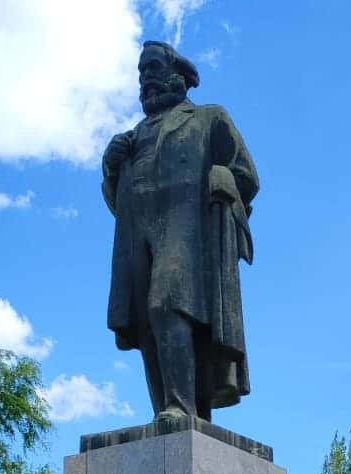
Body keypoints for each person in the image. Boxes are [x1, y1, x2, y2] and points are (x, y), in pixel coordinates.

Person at [103, 41, 258, 419]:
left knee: (166, 304)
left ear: (179, 77)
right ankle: (170, 410)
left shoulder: (208, 119)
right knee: (144, 321)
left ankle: (180, 405)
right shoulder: (132, 137)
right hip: (137, 238)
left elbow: (247, 176)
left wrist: (223, 177)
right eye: (141, 73)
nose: (146, 79)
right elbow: (117, 204)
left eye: (153, 68)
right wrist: (111, 167)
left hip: (187, 234)